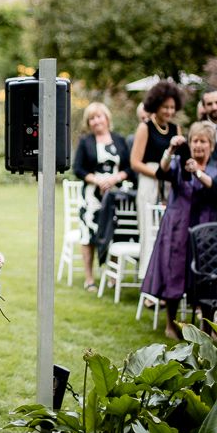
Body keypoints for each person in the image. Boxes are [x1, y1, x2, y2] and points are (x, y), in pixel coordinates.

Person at [141, 121, 217, 339]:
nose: (198, 145)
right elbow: (161, 172)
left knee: (207, 278)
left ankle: (207, 329)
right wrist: (170, 150)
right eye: (195, 141)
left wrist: (198, 173)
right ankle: (171, 325)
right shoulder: (179, 163)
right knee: (174, 273)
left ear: (211, 144)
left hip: (207, 230)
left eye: (203, 141)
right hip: (178, 226)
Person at [73, 102, 133, 291]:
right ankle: (89, 278)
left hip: (115, 195)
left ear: (107, 118)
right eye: (92, 118)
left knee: (113, 232)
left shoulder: (119, 140)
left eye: (99, 116)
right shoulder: (86, 142)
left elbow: (130, 167)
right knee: (88, 235)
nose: (96, 121)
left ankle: (112, 276)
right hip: (92, 196)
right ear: (88, 123)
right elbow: (78, 169)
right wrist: (98, 181)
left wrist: (115, 178)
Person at [130, 80, 183, 279]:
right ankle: (148, 282)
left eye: (172, 107)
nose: (169, 111)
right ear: (156, 106)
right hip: (149, 183)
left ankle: (166, 281)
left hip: (169, 186)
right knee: (149, 232)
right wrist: (158, 173)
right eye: (165, 107)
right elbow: (135, 162)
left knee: (168, 234)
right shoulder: (145, 128)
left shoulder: (175, 129)